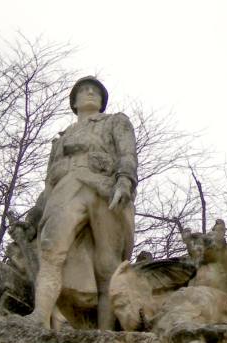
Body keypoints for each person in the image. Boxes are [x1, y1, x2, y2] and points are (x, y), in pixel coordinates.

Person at [28, 76, 137, 330]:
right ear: (74, 102)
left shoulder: (115, 121)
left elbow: (127, 154)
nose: (90, 93)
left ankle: (106, 331)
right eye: (83, 91)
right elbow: (48, 183)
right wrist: (34, 215)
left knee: (108, 263)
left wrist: (125, 181)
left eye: (95, 91)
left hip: (104, 188)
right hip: (67, 187)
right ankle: (40, 318)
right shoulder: (61, 139)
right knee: (50, 249)